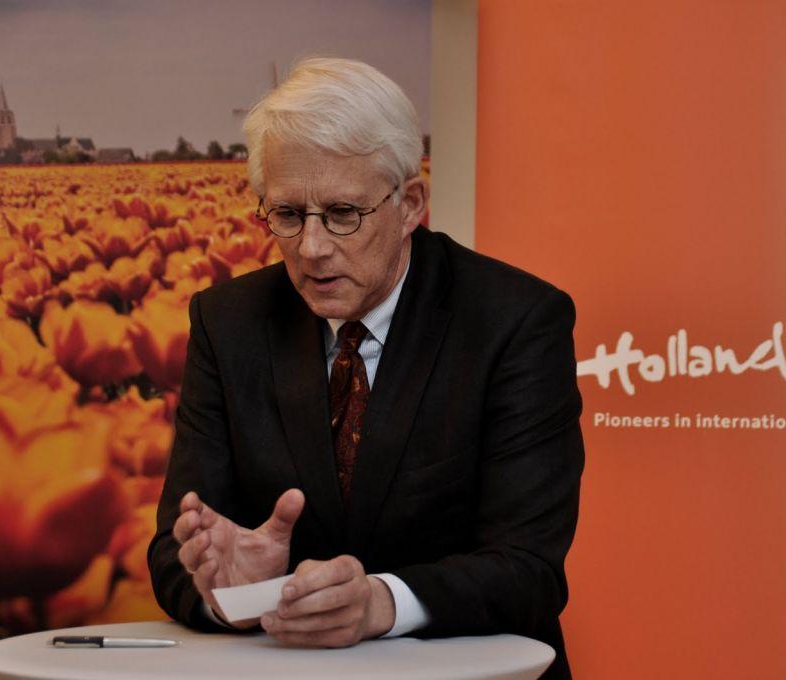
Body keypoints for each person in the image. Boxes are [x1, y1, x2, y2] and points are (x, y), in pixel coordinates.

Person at [148, 57, 584, 679]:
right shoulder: (228, 323)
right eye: (287, 215)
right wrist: (237, 597)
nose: (312, 248)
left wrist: (380, 603)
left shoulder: (514, 321)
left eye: (343, 214)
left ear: (409, 205)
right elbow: (175, 553)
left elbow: (528, 569)